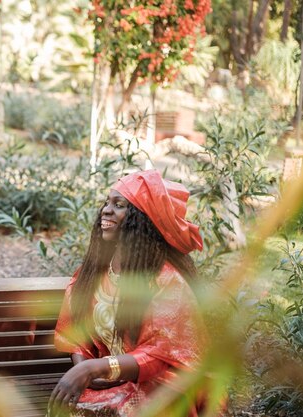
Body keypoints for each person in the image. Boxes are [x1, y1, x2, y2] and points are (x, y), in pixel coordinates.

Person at [48, 169, 207, 417]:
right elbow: (75, 331)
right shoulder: (93, 272)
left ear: (141, 220)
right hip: (111, 383)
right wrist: (85, 371)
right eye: (107, 202)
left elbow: (161, 354)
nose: (106, 210)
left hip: (162, 386)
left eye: (119, 205)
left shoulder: (166, 281)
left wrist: (100, 367)